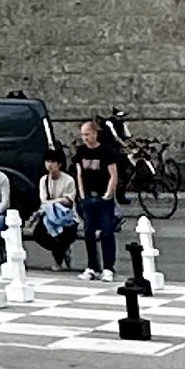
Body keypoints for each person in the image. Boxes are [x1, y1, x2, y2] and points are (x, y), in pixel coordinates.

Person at [72, 117, 125, 278]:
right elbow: (79, 173)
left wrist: (108, 194)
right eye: (82, 135)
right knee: (89, 232)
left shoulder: (105, 152)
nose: (85, 138)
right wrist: (81, 195)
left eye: (87, 134)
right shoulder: (81, 152)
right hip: (88, 197)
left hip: (103, 198)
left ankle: (108, 267)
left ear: (95, 133)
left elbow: (113, 174)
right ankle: (92, 266)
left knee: (107, 232)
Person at [26, 155, 80, 271]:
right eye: (47, 161)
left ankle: (58, 260)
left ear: (59, 164)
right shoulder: (44, 180)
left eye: (52, 161)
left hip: (66, 216)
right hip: (48, 216)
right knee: (38, 234)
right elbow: (44, 200)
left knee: (66, 234)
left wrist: (55, 202)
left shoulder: (68, 180)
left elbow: (68, 201)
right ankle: (61, 252)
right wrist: (57, 201)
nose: (49, 165)